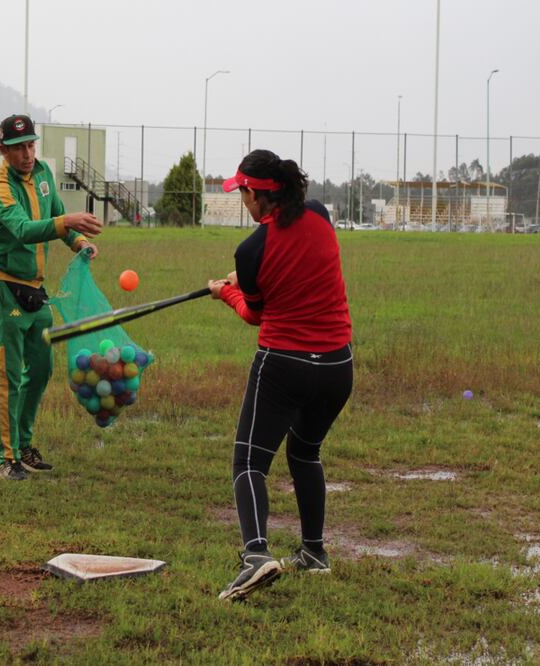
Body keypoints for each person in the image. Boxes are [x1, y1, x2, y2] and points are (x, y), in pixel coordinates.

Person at [208, 149, 354, 601]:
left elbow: (255, 312)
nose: (242, 201)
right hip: (336, 366)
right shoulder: (319, 214)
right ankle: (313, 553)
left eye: (244, 194)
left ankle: (255, 555)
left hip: (283, 364)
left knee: (249, 461)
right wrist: (244, 277)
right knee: (305, 452)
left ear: (257, 196)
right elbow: (296, 261)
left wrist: (226, 292)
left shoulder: (251, 249)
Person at [0, 114, 104, 480]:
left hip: (35, 288)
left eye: (31, 145)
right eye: (19, 147)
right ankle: (8, 459)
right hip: (3, 286)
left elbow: (56, 218)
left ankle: (25, 444)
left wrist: (79, 242)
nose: (27, 153)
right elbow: (22, 230)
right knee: (9, 375)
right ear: (4, 150)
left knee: (42, 368)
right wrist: (68, 224)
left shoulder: (45, 174)